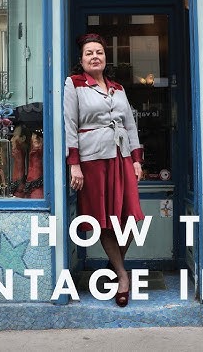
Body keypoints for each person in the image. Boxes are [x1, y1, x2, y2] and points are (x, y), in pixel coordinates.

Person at [63, 33, 144, 307]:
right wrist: (74, 164)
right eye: (89, 53)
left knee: (131, 219)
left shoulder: (118, 88)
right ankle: (123, 275)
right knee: (103, 219)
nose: (94, 56)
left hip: (121, 158)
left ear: (105, 57)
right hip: (93, 160)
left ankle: (115, 264)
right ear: (81, 59)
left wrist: (136, 159)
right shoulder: (74, 84)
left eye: (99, 52)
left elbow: (130, 125)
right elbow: (70, 125)